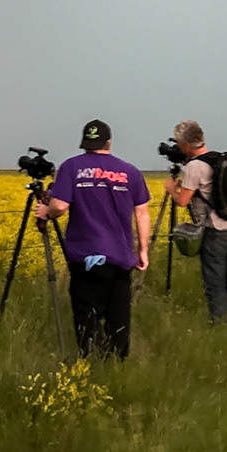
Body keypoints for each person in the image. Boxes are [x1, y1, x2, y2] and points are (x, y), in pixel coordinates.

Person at [39, 119, 151, 358]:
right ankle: (117, 364)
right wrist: (143, 250)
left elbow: (59, 206)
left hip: (87, 255)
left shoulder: (71, 167)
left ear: (85, 143)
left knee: (86, 314)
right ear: (108, 143)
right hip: (120, 256)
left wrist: (46, 213)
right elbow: (142, 212)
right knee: (118, 316)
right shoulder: (129, 171)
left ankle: (91, 360)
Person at [167, 119, 227, 322]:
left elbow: (182, 201)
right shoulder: (219, 159)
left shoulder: (195, 166)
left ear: (186, 144)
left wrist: (172, 189)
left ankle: (219, 322)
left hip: (215, 230)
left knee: (214, 280)